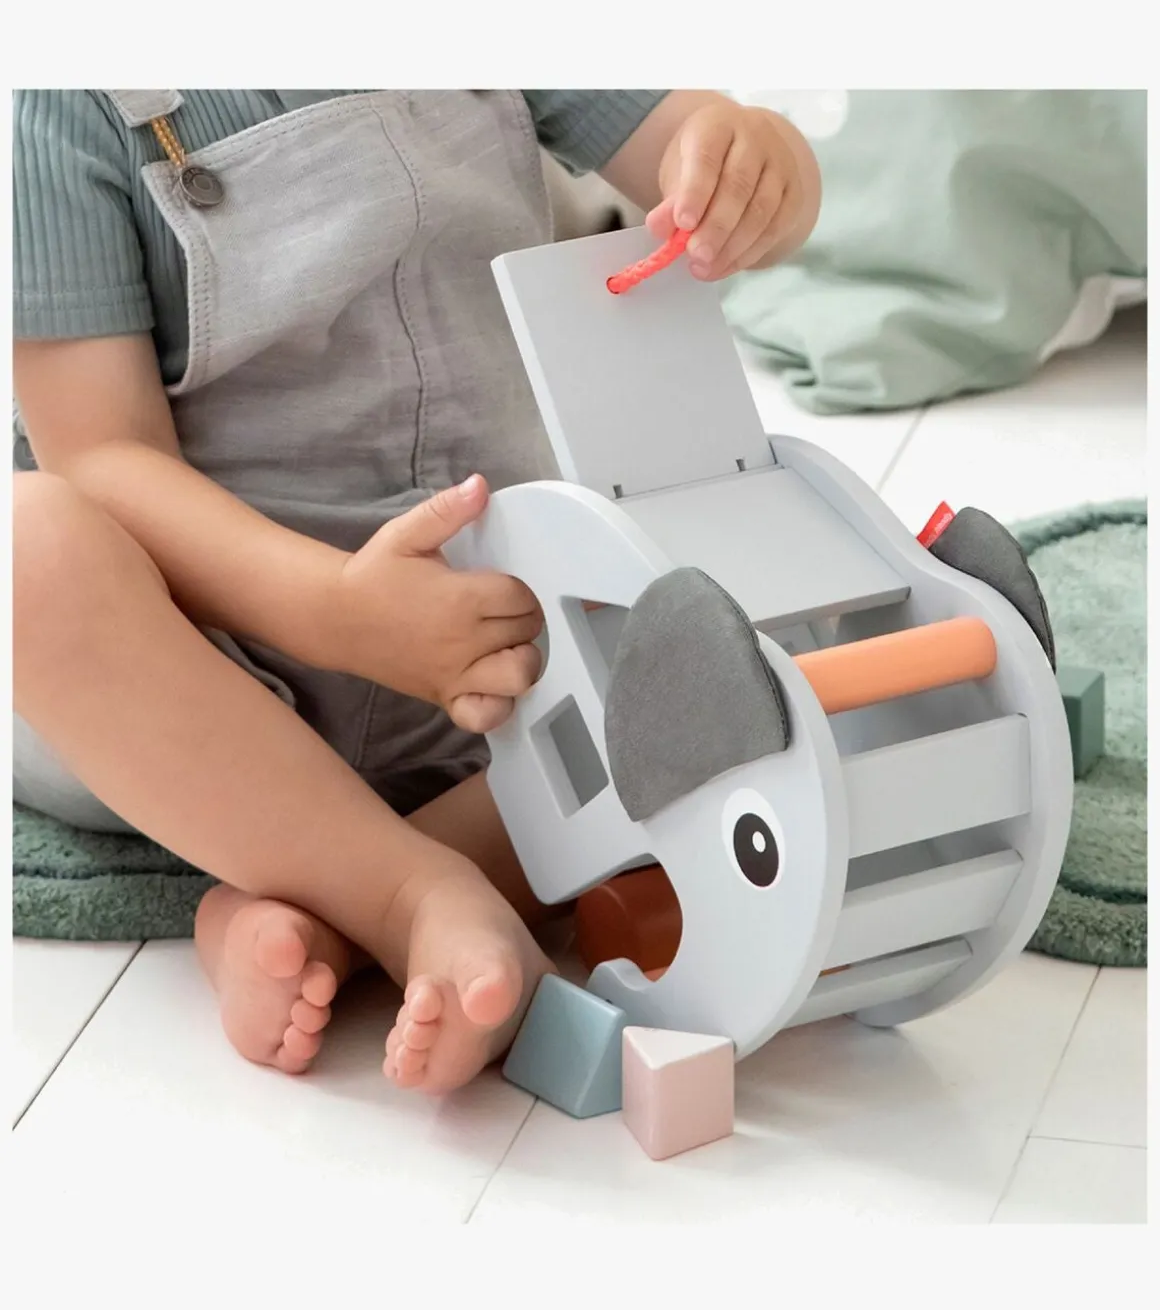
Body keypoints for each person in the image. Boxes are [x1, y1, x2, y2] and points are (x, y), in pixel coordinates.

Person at [12, 88, 821, 1094]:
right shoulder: (60, 103)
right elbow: (100, 455)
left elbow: (686, 140)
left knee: (745, 663)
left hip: (481, 654)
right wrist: (334, 611)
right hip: (193, 679)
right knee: (25, 549)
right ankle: (410, 894)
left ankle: (328, 907)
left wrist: (758, 165)